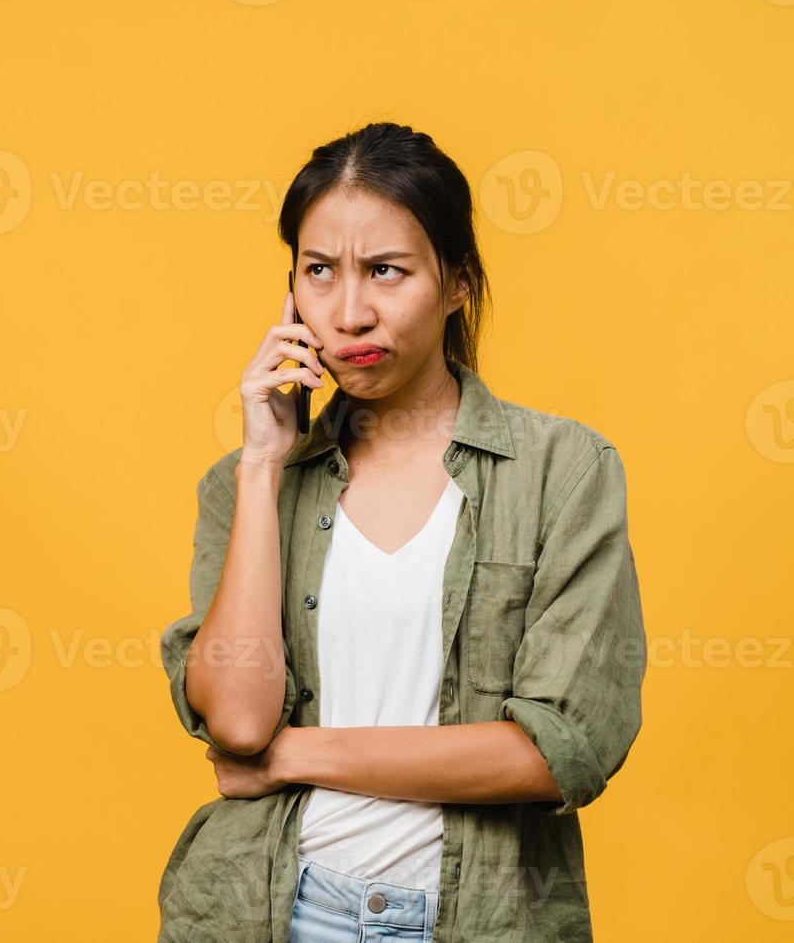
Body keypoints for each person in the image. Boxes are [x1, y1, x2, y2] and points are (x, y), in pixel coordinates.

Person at [157, 123, 646, 943]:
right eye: (320, 272)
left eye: (387, 270)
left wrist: (292, 757)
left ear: (456, 282)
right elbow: (238, 723)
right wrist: (260, 465)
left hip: (477, 919)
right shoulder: (246, 487)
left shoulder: (564, 471)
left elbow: (557, 751)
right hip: (269, 911)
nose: (350, 312)